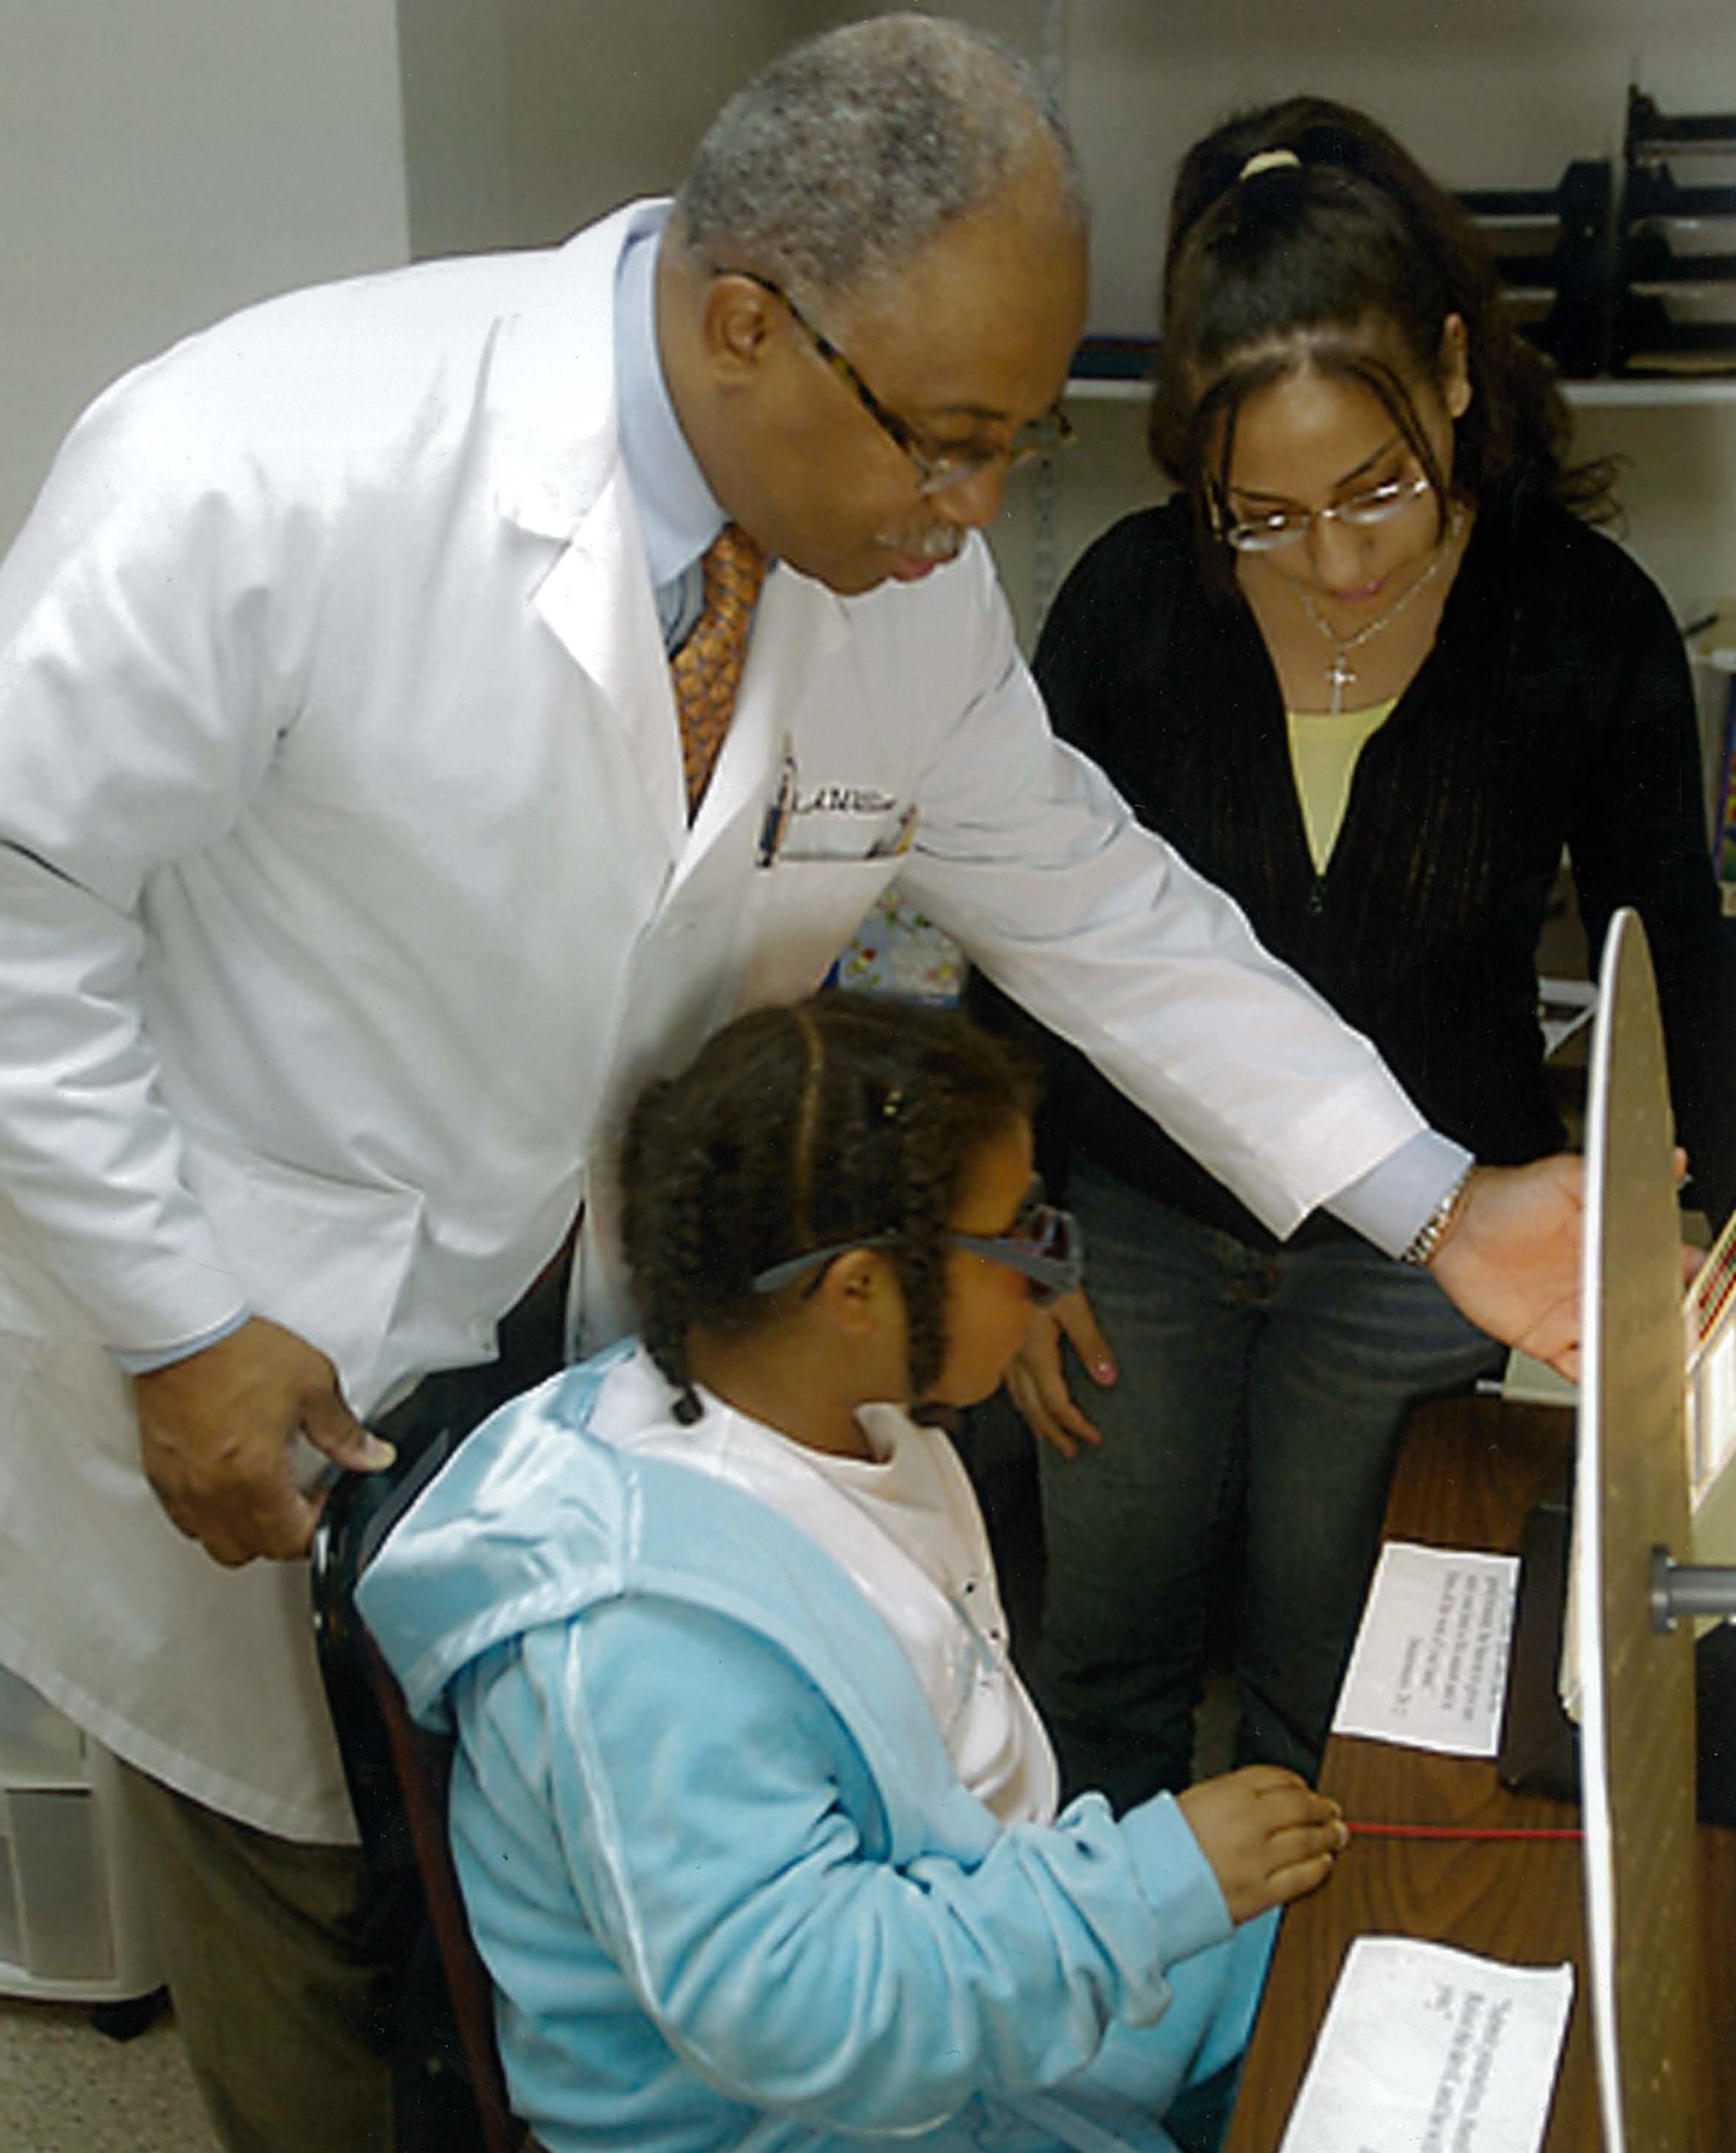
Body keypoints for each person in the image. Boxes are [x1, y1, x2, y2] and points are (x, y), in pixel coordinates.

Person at [0, 23, 1581, 2149]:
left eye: (1012, 450)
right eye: (941, 445)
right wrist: (175, 1317)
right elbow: (19, 888)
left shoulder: (881, 580)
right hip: (243, 1315)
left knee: (626, 1893)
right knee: (331, 1955)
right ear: (743, 325)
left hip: (601, 1368)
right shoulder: (269, 462)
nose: (968, 518)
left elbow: (1085, 890)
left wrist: (1427, 1196)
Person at [984, 95, 1736, 1812]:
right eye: (1262, 511)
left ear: (1455, 378)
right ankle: (1098, 2056)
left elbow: (1670, 944)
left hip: (1418, 1241)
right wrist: (1013, 1232)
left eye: (1375, 491)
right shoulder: (1125, 602)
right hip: (1138, 1229)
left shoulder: (1578, 619)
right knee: (1098, 1659)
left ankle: (1267, 2059)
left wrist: (1686, 1221)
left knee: (1335, 1690)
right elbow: (1022, 946)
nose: (1328, 562)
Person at [358, 993, 1349, 2153]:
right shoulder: (650, 1641)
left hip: (959, 1973)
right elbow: (804, 2016)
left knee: (1335, 1938)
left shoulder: (843, 1413)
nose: (1054, 1273)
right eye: (1019, 1238)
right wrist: (1134, 1890)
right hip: (796, 2112)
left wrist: (1128, 1891)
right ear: (859, 1291)